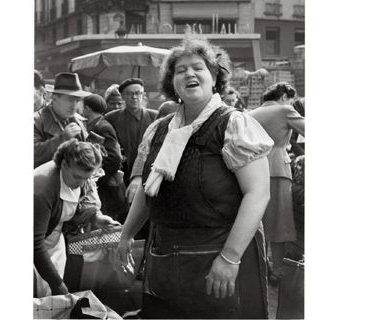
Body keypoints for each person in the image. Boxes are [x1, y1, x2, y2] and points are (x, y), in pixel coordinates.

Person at [116, 35, 274, 319]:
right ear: (172, 83)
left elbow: (258, 193)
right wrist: (127, 233)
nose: (189, 73)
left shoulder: (234, 124)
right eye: (180, 70)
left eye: (198, 67)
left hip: (218, 260)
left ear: (214, 76)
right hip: (164, 262)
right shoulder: (160, 130)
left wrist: (230, 257)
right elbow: (149, 190)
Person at [34, 139, 120, 298]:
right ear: (64, 165)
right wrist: (57, 283)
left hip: (54, 240)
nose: (81, 183)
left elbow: (79, 206)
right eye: (77, 177)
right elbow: (35, 244)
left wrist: (96, 218)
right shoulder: (41, 191)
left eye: (86, 178)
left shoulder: (79, 178)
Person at [248, 82, 305, 281]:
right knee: (280, 222)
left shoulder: (251, 113)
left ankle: (260, 267)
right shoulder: (284, 109)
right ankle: (279, 269)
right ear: (283, 97)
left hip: (252, 171)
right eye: (291, 100)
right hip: (278, 169)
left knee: (258, 221)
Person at [104, 78, 158, 202]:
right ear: (123, 96)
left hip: (147, 176)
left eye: (138, 93)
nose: (134, 97)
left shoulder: (155, 117)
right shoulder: (111, 118)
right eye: (130, 94)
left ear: (143, 95)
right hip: (122, 176)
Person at [82, 94, 127, 220]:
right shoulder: (95, 125)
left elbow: (114, 158)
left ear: (87, 108)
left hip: (106, 189)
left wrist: (97, 178)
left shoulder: (102, 127)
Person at [34, 72, 91, 168]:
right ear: (55, 98)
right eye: (70, 100)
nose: (74, 105)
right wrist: (63, 138)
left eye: (77, 100)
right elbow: (34, 155)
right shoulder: (37, 121)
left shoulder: (79, 120)